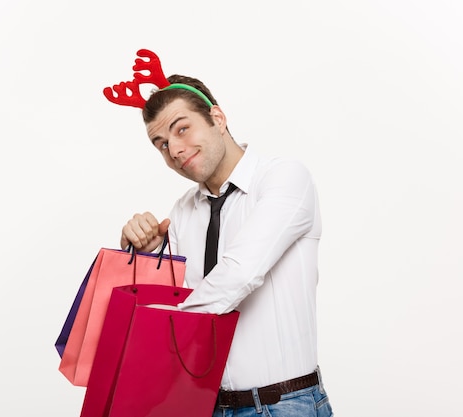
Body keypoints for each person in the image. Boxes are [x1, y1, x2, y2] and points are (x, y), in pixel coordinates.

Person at [110, 51, 333, 417]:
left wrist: (162, 328)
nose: (176, 150)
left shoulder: (283, 178)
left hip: (282, 406)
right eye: (162, 143)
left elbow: (239, 273)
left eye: (182, 129)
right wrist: (149, 254)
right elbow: (173, 296)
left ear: (217, 117)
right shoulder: (184, 209)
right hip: (204, 406)